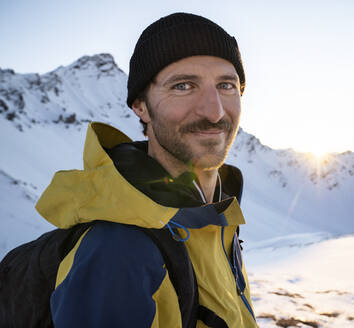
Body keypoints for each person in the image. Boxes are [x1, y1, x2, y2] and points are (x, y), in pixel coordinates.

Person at [35, 13, 257, 327]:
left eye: (226, 85)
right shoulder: (119, 252)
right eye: (183, 86)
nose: (214, 111)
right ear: (141, 106)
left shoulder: (217, 219)